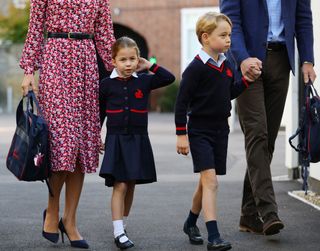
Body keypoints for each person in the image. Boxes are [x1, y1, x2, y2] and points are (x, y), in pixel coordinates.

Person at [20, 0, 115, 248]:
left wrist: (123, 69)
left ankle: (70, 220)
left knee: (82, 146)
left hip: (86, 61)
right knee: (62, 142)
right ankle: (52, 211)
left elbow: (106, 36)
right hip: (55, 60)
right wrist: (29, 70)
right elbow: (35, 29)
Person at [220, 0, 317, 236]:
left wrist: (307, 59)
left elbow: (303, 18)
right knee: (257, 134)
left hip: (281, 61)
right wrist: (242, 58)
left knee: (268, 141)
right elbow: (231, 22)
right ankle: (268, 211)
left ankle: (248, 214)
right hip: (247, 63)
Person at [175, 12, 256, 251]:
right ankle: (214, 236)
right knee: (211, 182)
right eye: (223, 35)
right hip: (199, 131)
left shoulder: (228, 64)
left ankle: (190, 223)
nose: (229, 39)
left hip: (221, 130)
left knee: (206, 181)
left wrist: (248, 80)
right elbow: (181, 103)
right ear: (206, 37)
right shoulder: (195, 68)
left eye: (229, 34)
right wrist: (182, 134)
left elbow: (228, 92)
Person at [99, 36, 175, 249]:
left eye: (132, 59)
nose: (128, 64)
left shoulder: (144, 79)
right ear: (113, 61)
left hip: (138, 139)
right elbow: (99, 113)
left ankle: (123, 224)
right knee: (120, 183)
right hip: (116, 139)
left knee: (131, 183)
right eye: (123, 60)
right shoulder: (106, 85)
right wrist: (96, 134)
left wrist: (150, 65)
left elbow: (169, 78)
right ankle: (117, 232)